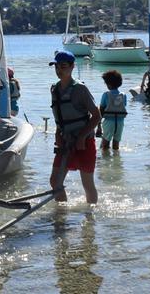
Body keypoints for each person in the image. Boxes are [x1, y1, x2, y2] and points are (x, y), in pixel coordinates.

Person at [49, 51, 101, 204]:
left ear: (72, 67)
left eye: (63, 66)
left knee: (87, 183)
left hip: (84, 143)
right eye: (56, 67)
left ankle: (90, 215)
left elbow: (96, 116)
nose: (59, 70)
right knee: (54, 181)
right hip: (65, 142)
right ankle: (62, 213)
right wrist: (57, 135)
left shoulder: (80, 89)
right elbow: (59, 116)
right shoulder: (54, 89)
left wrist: (82, 137)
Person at [98, 70, 127, 151]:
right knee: (116, 145)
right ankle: (116, 157)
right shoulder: (123, 95)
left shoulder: (106, 94)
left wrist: (98, 125)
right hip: (120, 122)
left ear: (109, 84)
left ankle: (105, 158)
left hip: (109, 122)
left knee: (105, 144)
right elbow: (123, 106)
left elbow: (101, 110)